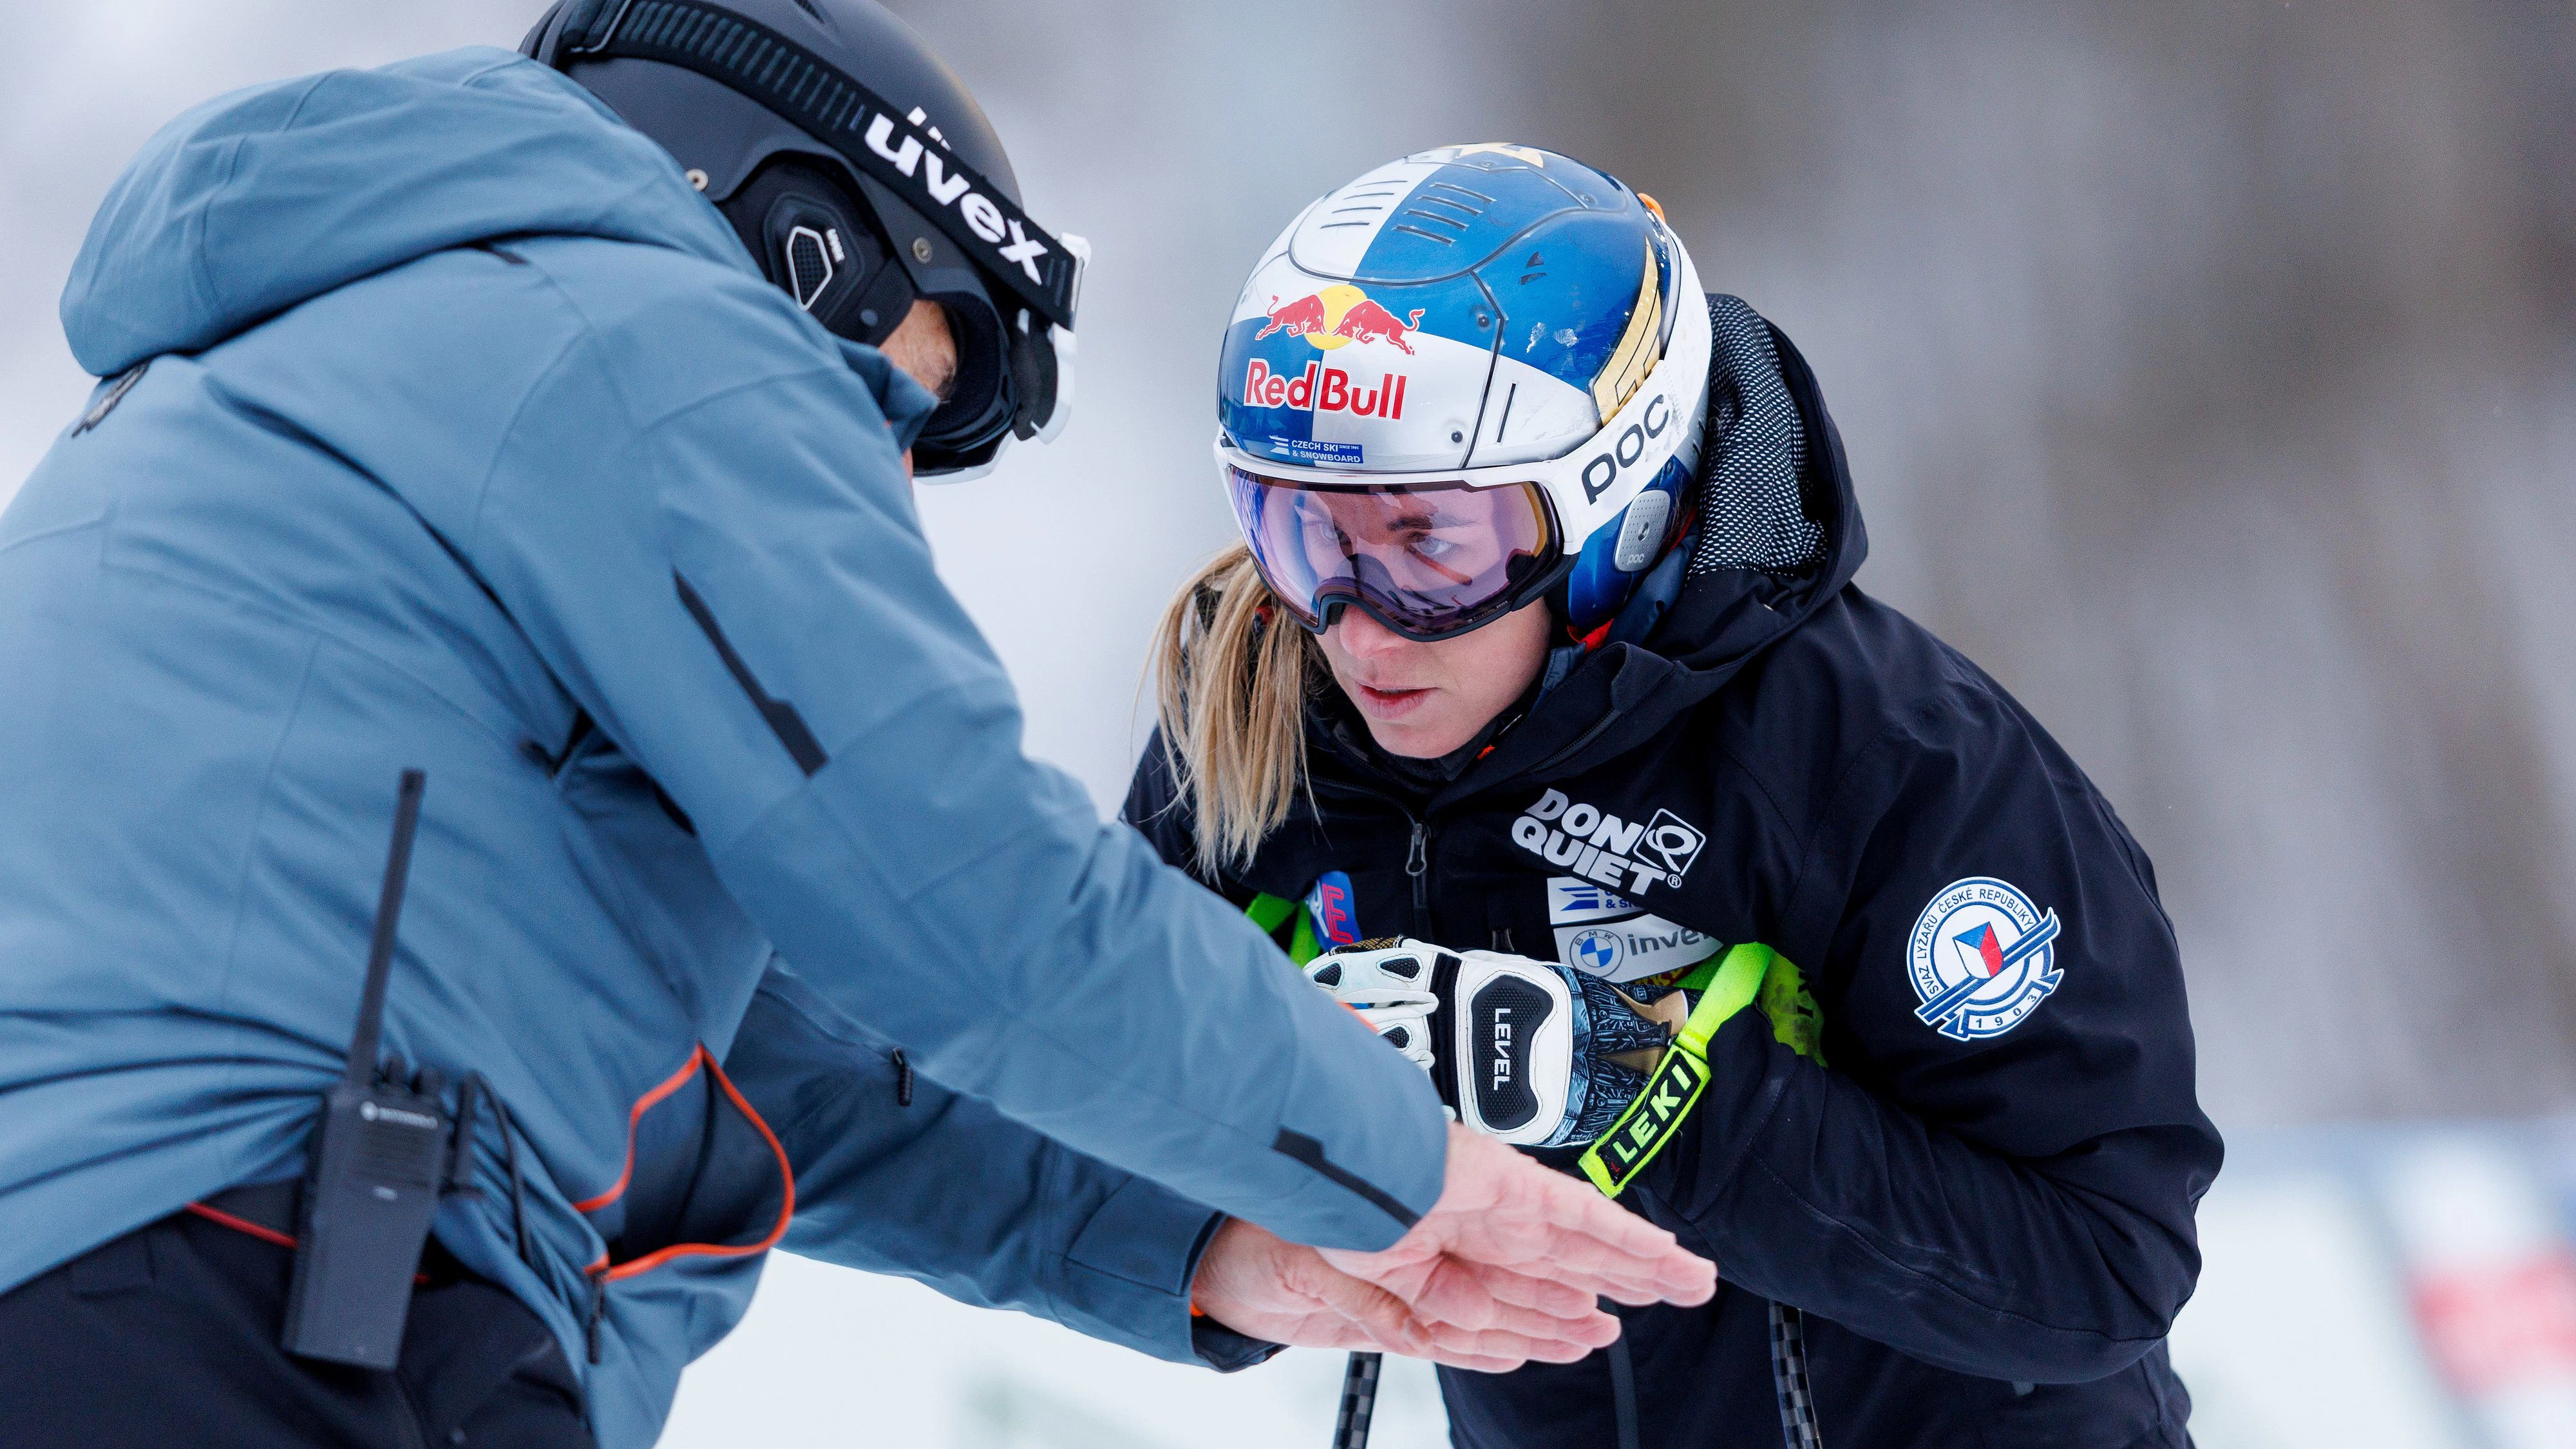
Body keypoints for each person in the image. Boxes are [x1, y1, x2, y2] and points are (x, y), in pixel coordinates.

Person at [0, 9, 1718, 1446]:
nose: (889, 473)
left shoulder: (263, 391)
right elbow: (957, 887)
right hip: (266, 1290)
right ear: (800, 234)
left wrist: (1197, 1236)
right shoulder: (651, 327)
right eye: (911, 385)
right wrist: (1399, 1161)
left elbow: (754, 1068)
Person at [1126, 144, 2224, 1448]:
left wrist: (1626, 1085)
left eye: (1429, 545)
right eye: (1296, 532)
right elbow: (1070, 1100)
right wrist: (1265, 1127)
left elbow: (2100, 1276)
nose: (1358, 635)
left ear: (1614, 506)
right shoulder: (1258, 720)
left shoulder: (1885, 764)